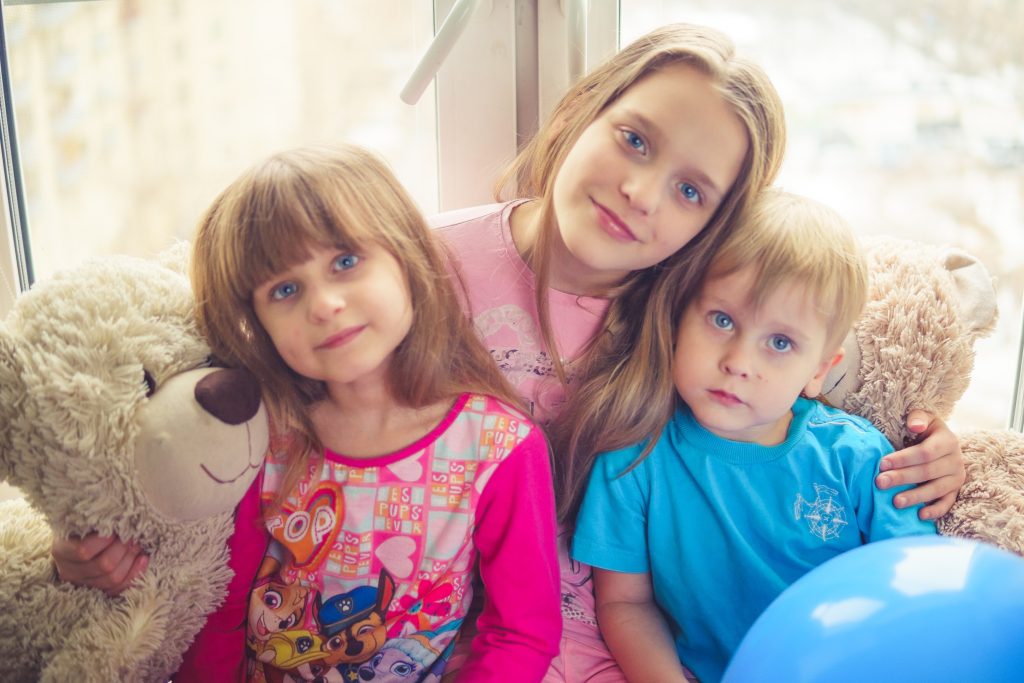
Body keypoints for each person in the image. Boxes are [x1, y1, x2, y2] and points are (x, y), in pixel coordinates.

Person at [52, 23, 965, 682]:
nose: (641, 192)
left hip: (605, 645)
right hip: (395, 633)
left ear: (714, 224)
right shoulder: (416, 261)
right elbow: (200, 372)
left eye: (689, 189)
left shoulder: (691, 317)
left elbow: (809, 368)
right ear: (583, 113)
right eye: (634, 139)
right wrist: (99, 509)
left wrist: (924, 443)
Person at [182, 143, 561, 681]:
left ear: (407, 258)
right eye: (285, 289)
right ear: (257, 322)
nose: (323, 305)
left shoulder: (499, 447)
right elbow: (217, 609)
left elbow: (521, 634)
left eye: (345, 261)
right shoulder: (262, 435)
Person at [571, 190, 939, 683]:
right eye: (722, 320)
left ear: (819, 371)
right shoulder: (632, 455)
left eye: (780, 342)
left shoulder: (857, 457)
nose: (739, 363)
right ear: (679, 317)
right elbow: (626, 603)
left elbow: (916, 592)